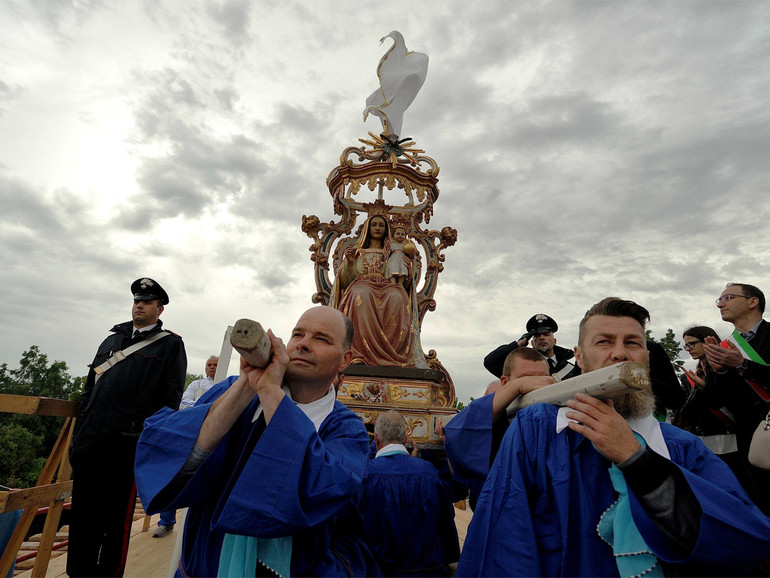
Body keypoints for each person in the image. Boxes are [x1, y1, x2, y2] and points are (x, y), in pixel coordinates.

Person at [458, 297, 770, 577]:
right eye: (604, 342)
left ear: (646, 357)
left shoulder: (682, 447)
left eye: (633, 343)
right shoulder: (538, 430)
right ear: (580, 357)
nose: (619, 353)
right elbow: (505, 542)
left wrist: (638, 460)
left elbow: (740, 544)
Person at [134, 306, 379, 577]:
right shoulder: (233, 390)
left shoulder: (346, 429)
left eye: (321, 339)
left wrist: (272, 392)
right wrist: (248, 385)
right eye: (298, 334)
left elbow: (318, 490)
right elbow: (180, 458)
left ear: (345, 359)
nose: (304, 344)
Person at [67, 278, 186, 577]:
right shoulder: (111, 341)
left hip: (125, 447)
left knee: (114, 521)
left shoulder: (171, 345)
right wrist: (78, 436)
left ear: (159, 309)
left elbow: (168, 403)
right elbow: (88, 391)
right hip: (90, 443)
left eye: (146, 302)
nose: (139, 306)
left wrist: (145, 445)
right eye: (136, 301)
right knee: (82, 516)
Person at [444, 347, 554, 509]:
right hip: (495, 517)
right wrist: (516, 387)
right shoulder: (492, 424)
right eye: (526, 378)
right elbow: (458, 437)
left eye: (543, 379)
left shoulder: (560, 418)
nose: (536, 386)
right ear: (505, 383)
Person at [360, 410, 459, 576]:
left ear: (376, 439)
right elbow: (446, 521)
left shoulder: (364, 475)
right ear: (405, 438)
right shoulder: (429, 473)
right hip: (428, 573)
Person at [704, 283, 770, 515]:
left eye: (728, 297)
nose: (720, 304)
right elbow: (713, 400)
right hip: (750, 442)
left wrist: (742, 364)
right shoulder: (723, 346)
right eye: (719, 300)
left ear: (753, 302)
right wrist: (718, 370)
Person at [331, 213, 423, 367]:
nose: (378, 228)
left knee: (398, 297)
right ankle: (358, 353)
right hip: (362, 284)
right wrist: (350, 262)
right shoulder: (358, 251)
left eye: (381, 225)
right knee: (361, 294)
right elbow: (345, 281)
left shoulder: (392, 253)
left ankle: (392, 353)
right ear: (368, 228)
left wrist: (406, 266)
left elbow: (406, 282)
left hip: (388, 285)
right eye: (374, 225)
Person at [153, 355, 221, 539]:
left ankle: (205, 527)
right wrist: (208, 408)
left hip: (217, 437)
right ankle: (166, 522)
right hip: (191, 433)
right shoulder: (196, 385)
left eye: (216, 364)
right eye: (209, 365)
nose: (212, 368)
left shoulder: (227, 384)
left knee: (211, 478)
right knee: (175, 475)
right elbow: (183, 403)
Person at [674, 327, 741, 475]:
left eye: (692, 344)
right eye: (686, 345)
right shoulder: (689, 376)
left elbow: (730, 400)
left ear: (707, 341)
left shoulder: (728, 368)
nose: (688, 349)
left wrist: (704, 387)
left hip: (731, 437)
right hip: (705, 437)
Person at [483, 313, 579, 380]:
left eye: (546, 334)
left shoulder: (570, 369)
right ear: (532, 343)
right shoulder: (522, 367)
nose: (542, 338)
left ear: (554, 341)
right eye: (537, 335)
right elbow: (490, 363)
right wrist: (517, 344)